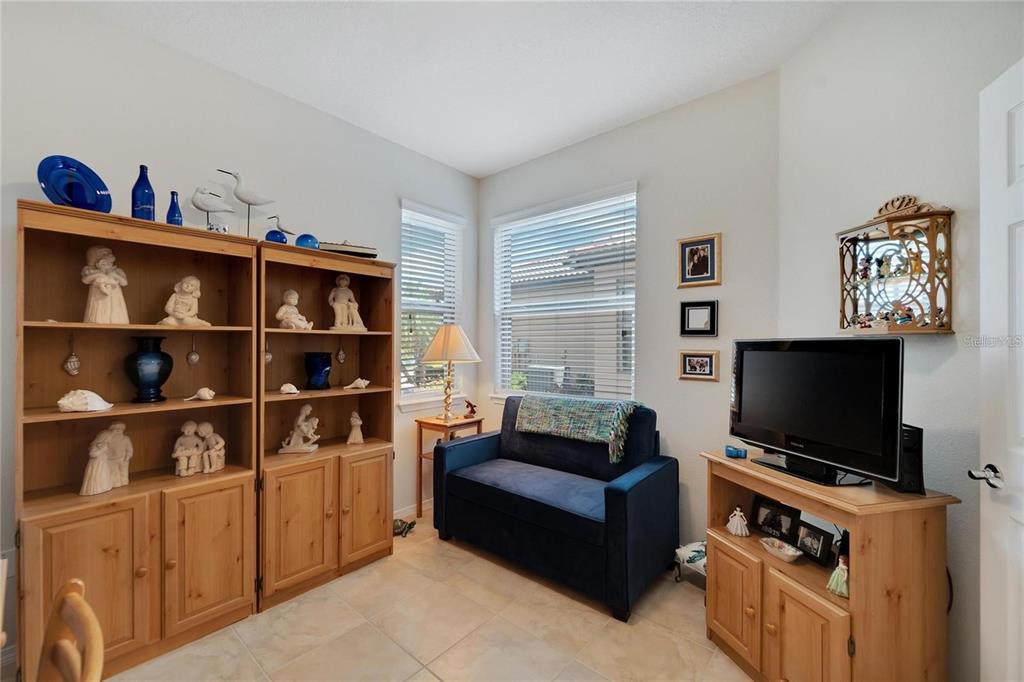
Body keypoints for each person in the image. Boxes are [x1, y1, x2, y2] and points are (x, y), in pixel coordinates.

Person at [81, 246, 129, 324]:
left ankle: (117, 319)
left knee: (116, 316)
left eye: (109, 254)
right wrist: (99, 274)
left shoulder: (117, 271)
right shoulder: (92, 271)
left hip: (114, 296)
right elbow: (85, 280)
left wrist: (114, 275)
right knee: (97, 316)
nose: (108, 256)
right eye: (104, 254)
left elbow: (124, 283)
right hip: (97, 298)